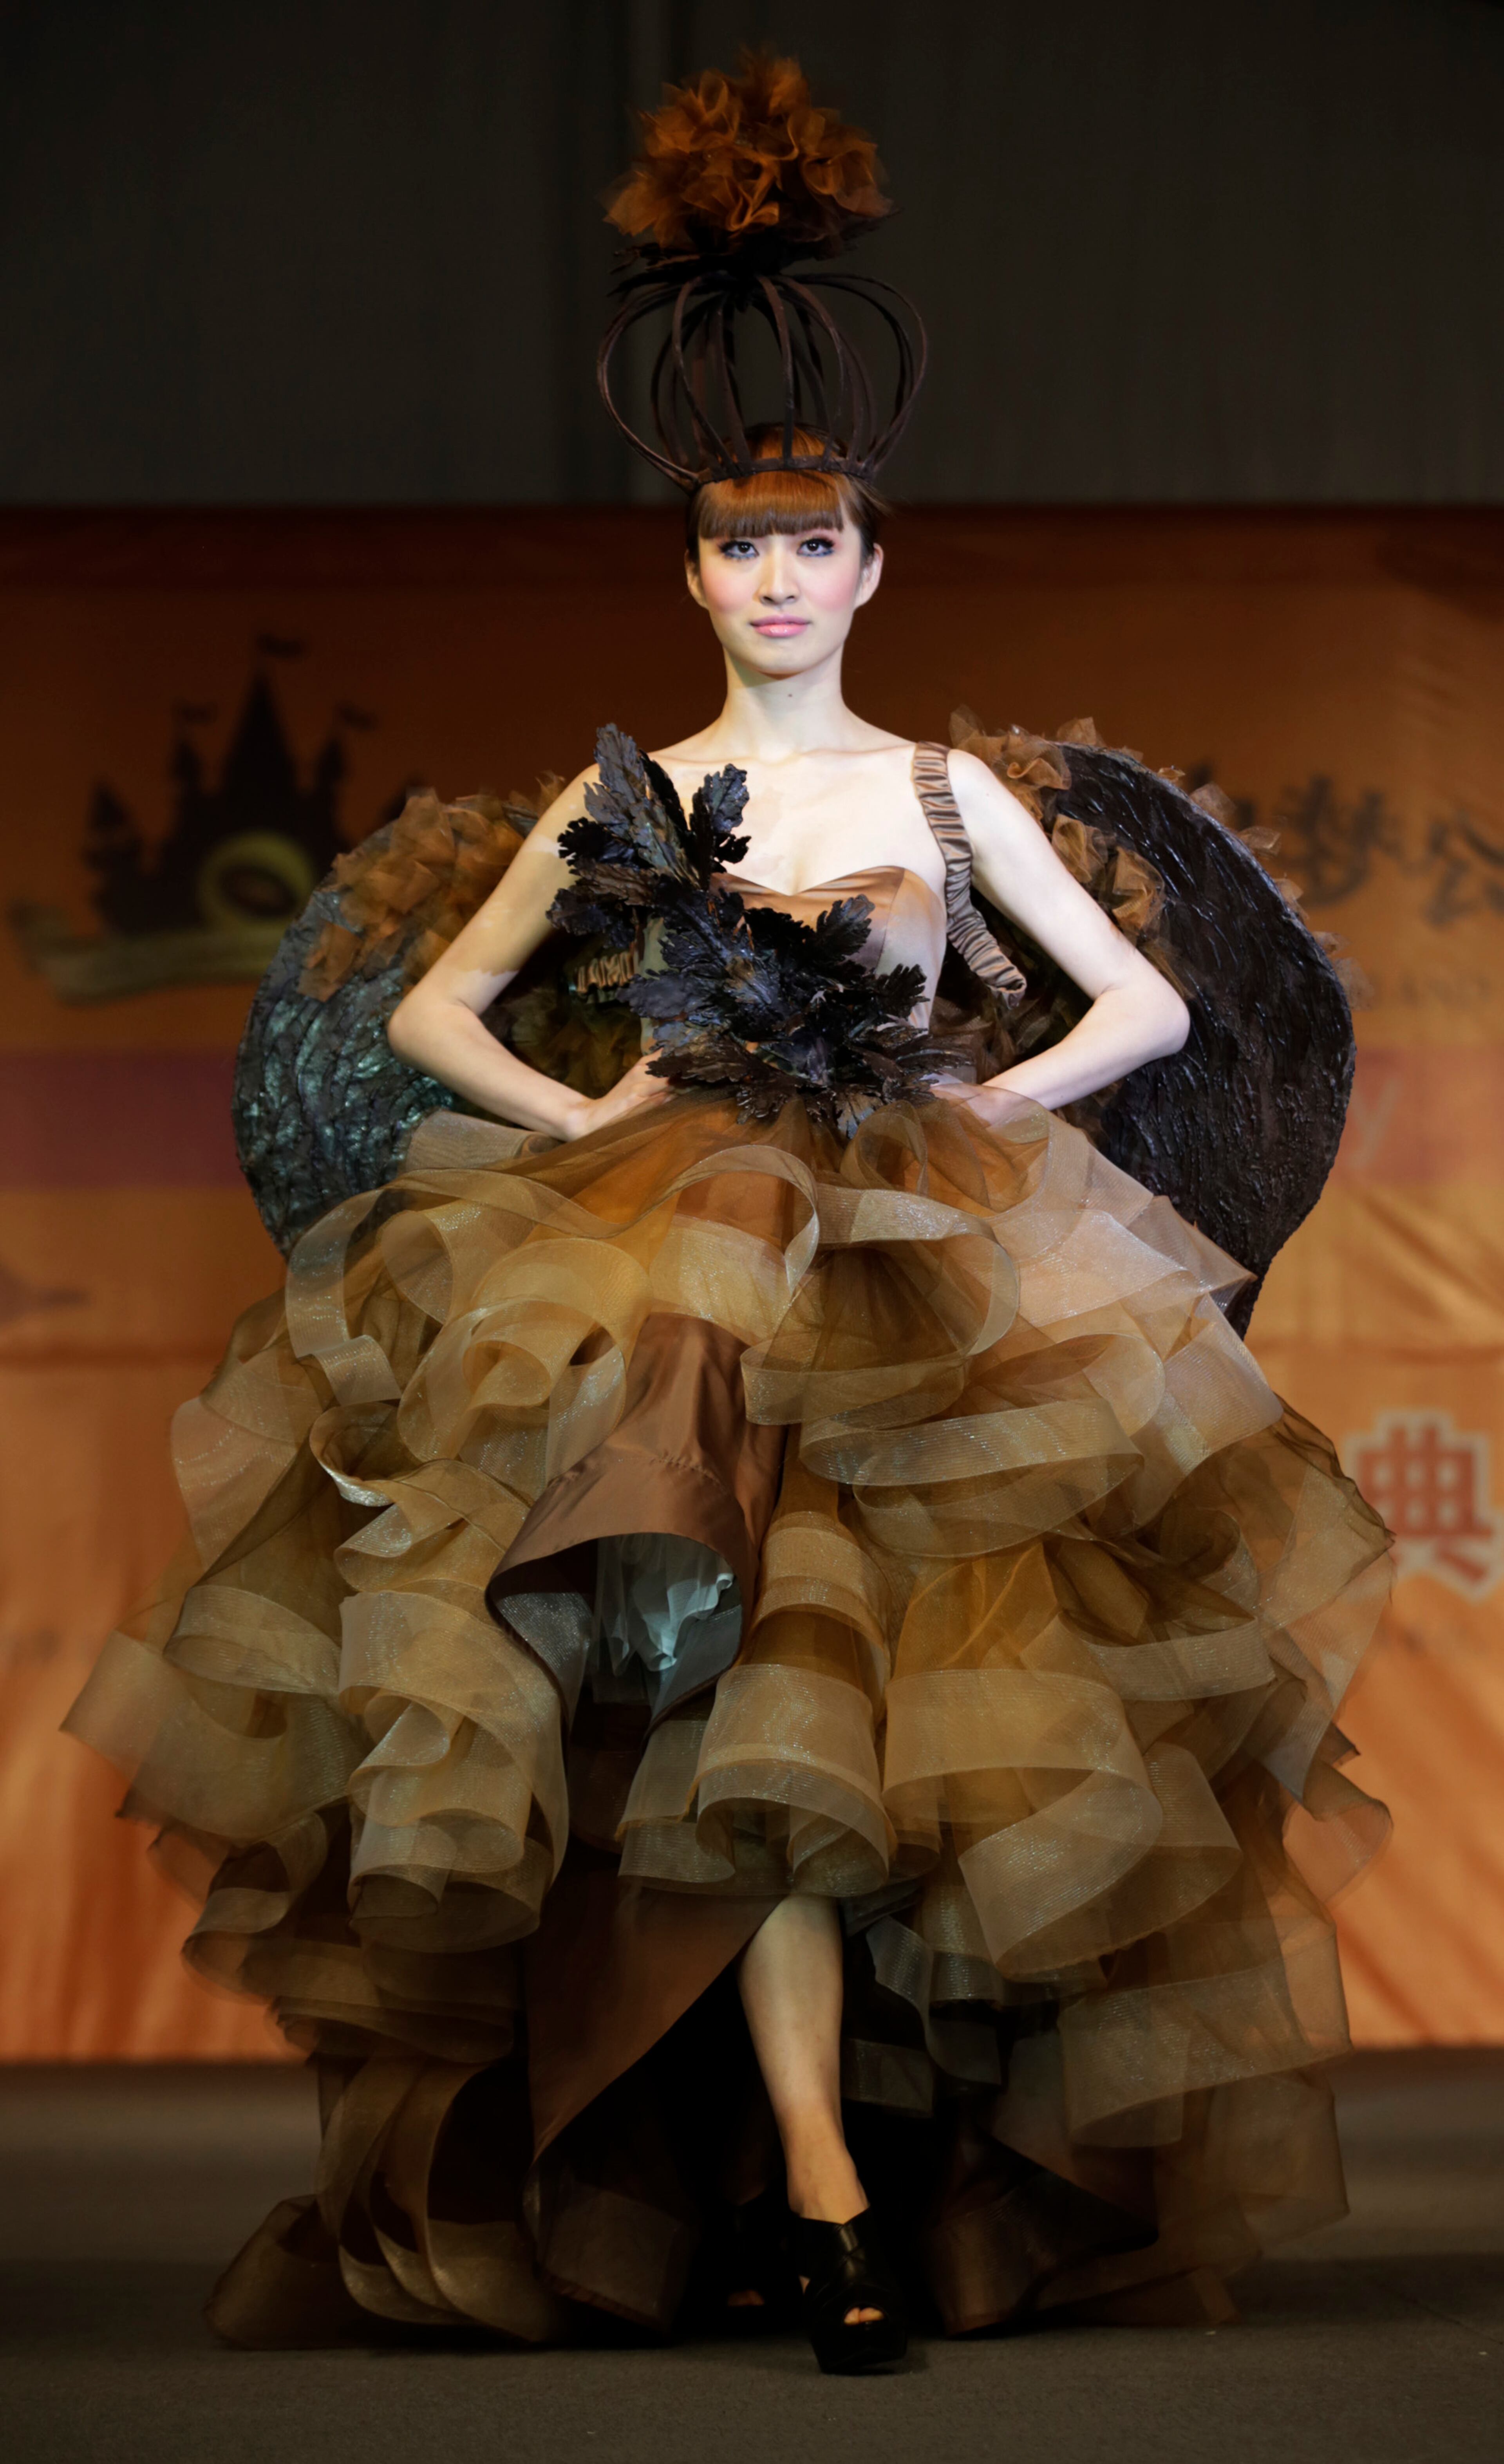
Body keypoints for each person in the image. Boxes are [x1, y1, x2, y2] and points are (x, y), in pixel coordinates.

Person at [66, 57, 1391, 2375]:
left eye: (813, 546)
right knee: (708, 1734)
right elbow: (439, 1009)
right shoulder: (637, 797)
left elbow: (1152, 1007)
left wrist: (971, 1098)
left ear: (872, 565)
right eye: (738, 549)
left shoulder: (943, 793)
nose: (776, 582)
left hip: (923, 1282)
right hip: (664, 1269)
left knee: (906, 1732)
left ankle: (846, 2179)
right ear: (690, 572)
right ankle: (813, 2183)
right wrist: (592, 1104)